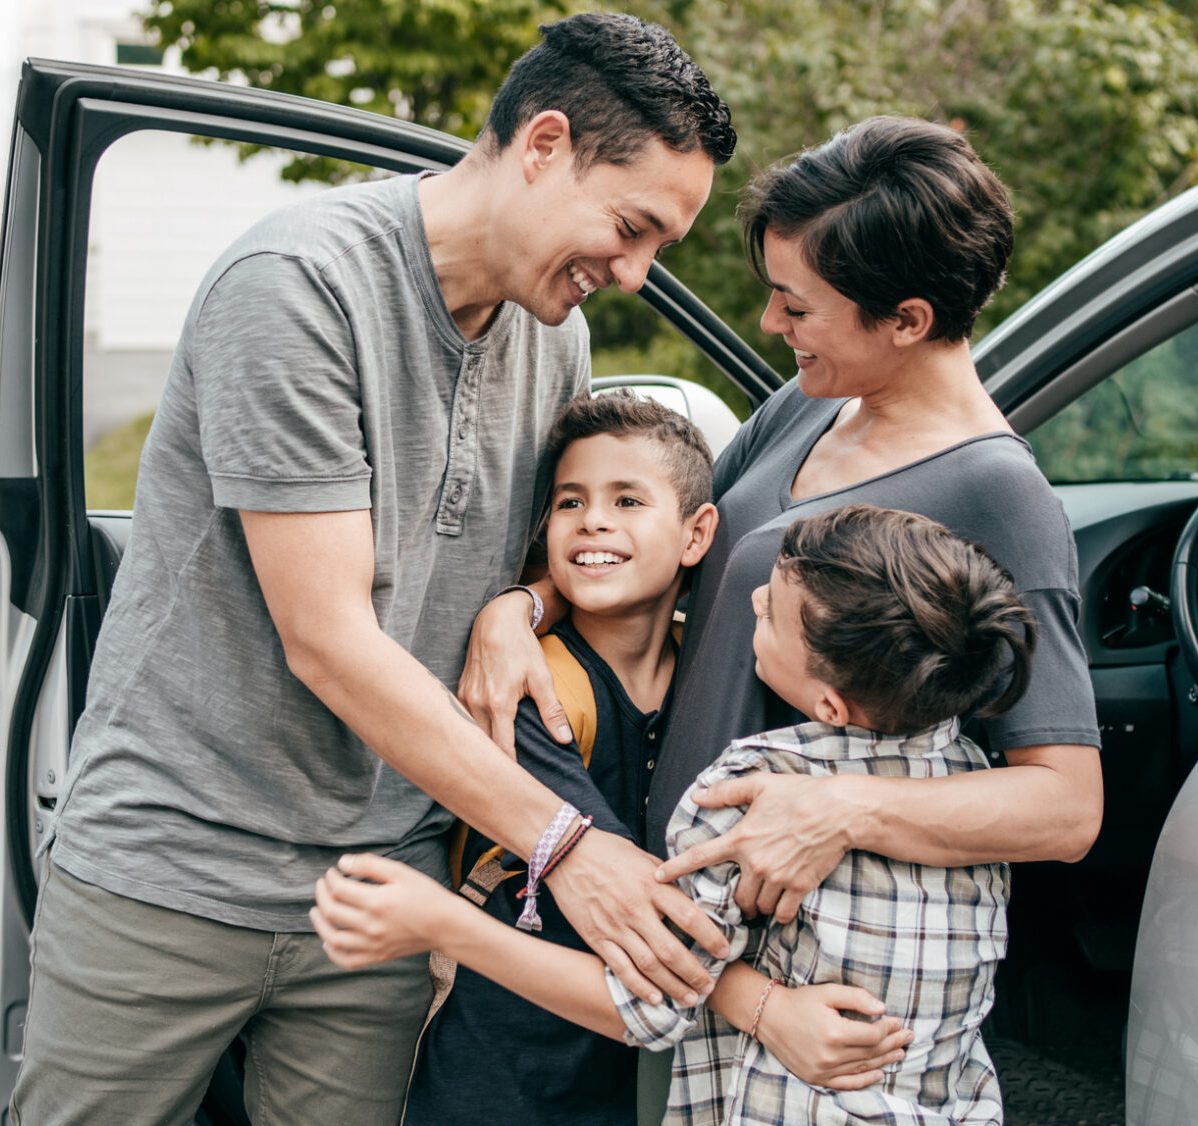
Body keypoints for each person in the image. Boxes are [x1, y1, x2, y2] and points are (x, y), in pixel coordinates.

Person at [7, 14, 738, 1125]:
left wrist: (518, 604)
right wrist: (565, 848)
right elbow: (330, 640)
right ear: (543, 145)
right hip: (171, 867)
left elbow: (532, 547)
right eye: (632, 227)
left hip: (375, 890)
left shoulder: (555, 336)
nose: (635, 273)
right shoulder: (297, 287)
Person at [457, 116, 1103, 1091]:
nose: (770, 325)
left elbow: (1063, 803)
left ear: (908, 320)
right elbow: (664, 550)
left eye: (795, 305)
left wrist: (837, 806)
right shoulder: (809, 401)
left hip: (804, 980)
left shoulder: (998, 498)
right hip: (658, 921)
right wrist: (521, 608)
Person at [317, 503, 1040, 1126]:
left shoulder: (750, 791)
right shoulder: (972, 786)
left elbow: (640, 1006)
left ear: (828, 706)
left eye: (774, 614)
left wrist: (442, 924)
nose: (753, 599)